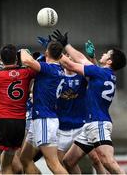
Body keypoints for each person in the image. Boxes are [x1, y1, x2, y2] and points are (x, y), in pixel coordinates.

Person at [51, 29, 126, 174]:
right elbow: (81, 59)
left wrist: (56, 51)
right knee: (69, 161)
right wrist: (66, 45)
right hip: (90, 125)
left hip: (98, 123)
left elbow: (72, 65)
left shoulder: (100, 72)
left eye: (107, 54)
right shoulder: (104, 73)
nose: (103, 54)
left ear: (109, 61)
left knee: (108, 162)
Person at [0, 44, 36, 174]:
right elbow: (33, 64)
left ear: (1, 58)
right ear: (16, 58)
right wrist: (23, 55)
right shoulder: (27, 72)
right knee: (7, 166)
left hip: (2, 122)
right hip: (20, 125)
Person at [20, 41, 68, 174]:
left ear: (47, 52)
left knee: (53, 163)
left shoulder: (50, 68)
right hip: (40, 119)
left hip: (45, 119)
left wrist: (23, 50)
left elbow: (27, 61)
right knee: (24, 158)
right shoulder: (59, 69)